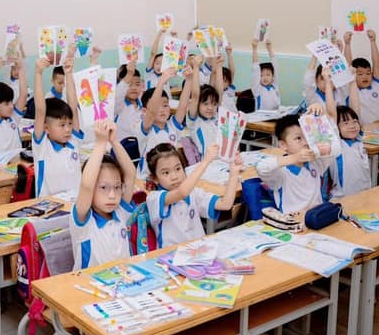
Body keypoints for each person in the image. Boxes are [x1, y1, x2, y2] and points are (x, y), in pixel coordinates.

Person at [70, 120, 137, 271]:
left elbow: (131, 173)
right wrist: (100, 143)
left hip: (122, 281)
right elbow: (87, 185)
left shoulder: (121, 212)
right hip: (87, 284)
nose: (112, 195)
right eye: (103, 188)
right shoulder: (84, 221)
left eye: (117, 187)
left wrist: (113, 141)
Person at [145, 142, 240, 247]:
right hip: (172, 254)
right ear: (155, 178)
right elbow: (182, 192)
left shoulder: (193, 193)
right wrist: (205, 161)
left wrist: (234, 173)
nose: (174, 176)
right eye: (166, 173)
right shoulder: (154, 198)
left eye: (178, 169)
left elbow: (225, 204)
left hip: (199, 250)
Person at [256, 106, 333, 214]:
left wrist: (320, 118)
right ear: (283, 145)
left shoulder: (316, 163)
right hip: (293, 221)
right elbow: (262, 168)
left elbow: (333, 146)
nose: (305, 142)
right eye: (298, 138)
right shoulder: (281, 173)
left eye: (307, 137)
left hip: (317, 217)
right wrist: (295, 157)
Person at [32, 54, 84, 197]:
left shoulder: (73, 141)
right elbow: (40, 111)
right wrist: (38, 73)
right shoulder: (42, 146)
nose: (68, 129)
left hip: (75, 205)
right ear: (46, 128)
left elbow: (73, 107)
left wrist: (69, 74)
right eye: (62, 125)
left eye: (69, 124)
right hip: (48, 207)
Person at [0, 56, 28, 156]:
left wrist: (20, 69)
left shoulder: (13, 118)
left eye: (11, 102)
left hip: (17, 163)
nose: (11, 106)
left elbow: (24, 95)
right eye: (6, 104)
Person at [344, 29, 379, 124]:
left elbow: (377, 65)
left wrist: (373, 41)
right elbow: (347, 68)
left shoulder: (376, 85)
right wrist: (347, 44)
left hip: (378, 127)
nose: (365, 77)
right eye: (360, 74)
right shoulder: (352, 89)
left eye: (368, 73)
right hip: (361, 129)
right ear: (354, 75)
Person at [250, 36, 280, 111]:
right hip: (261, 117)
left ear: (273, 77)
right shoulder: (257, 88)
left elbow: (275, 66)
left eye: (268, 75)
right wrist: (254, 48)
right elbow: (255, 68)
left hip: (276, 115)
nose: (265, 78)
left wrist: (269, 49)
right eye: (261, 75)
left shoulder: (274, 86)